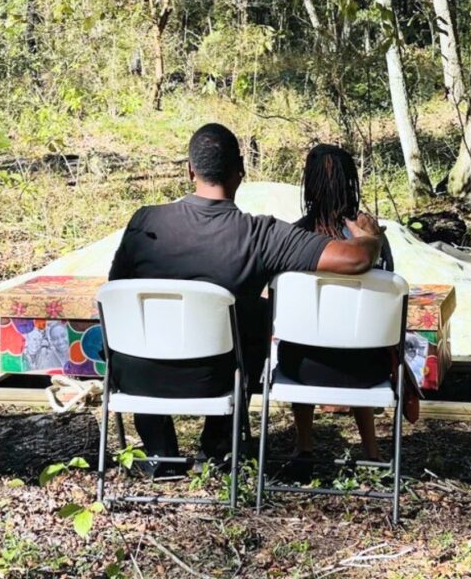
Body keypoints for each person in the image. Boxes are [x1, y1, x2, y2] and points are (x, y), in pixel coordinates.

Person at [108, 124, 384, 479]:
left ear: (190, 170)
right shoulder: (261, 235)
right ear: (241, 169)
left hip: (136, 376)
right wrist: (371, 239)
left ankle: (160, 453)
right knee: (257, 314)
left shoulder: (144, 221)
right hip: (213, 379)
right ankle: (218, 444)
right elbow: (355, 259)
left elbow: (116, 289)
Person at [276, 144, 406, 480]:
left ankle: (304, 447)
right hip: (367, 370)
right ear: (352, 183)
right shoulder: (373, 241)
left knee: (300, 338)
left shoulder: (293, 237)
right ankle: (372, 452)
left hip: (303, 369)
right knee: (360, 335)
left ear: (308, 185)